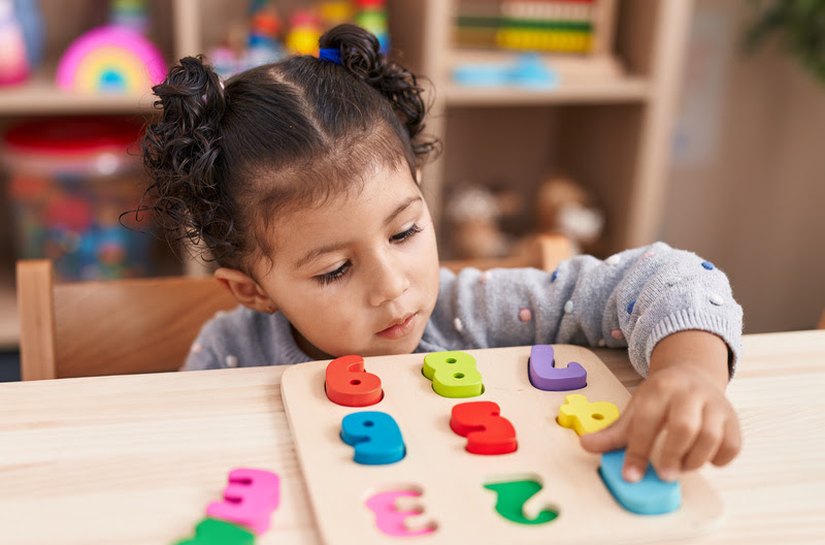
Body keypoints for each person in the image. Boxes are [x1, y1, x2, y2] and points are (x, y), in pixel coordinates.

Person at [138, 24, 742, 485]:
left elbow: (672, 276)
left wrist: (690, 374)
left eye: (404, 232)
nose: (393, 287)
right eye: (334, 270)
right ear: (253, 290)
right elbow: (190, 475)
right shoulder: (229, 355)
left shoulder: (475, 314)